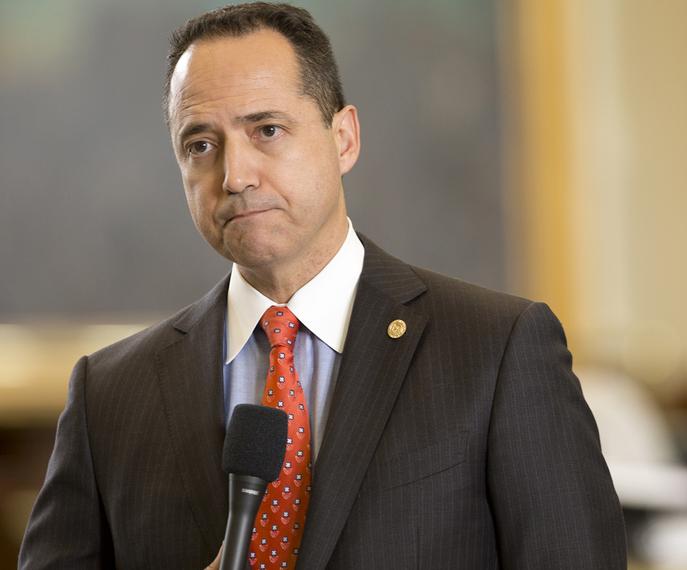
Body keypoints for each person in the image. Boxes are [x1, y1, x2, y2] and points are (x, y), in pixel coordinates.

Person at [19, 3, 626, 569]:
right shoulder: (110, 394)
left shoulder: (497, 350)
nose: (234, 175)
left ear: (344, 139)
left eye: (267, 130)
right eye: (200, 145)